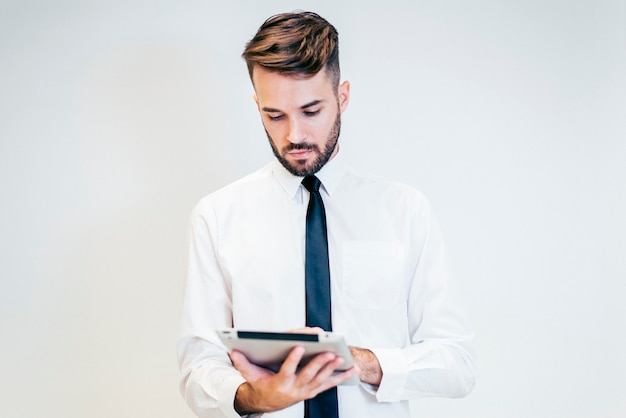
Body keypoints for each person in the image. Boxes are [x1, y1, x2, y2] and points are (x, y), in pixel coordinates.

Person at [178, 11, 477, 418]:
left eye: (311, 110)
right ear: (256, 105)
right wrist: (257, 396)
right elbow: (198, 369)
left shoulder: (406, 211)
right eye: (274, 115)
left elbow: (456, 363)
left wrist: (356, 362)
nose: (294, 135)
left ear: (343, 96)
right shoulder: (217, 216)